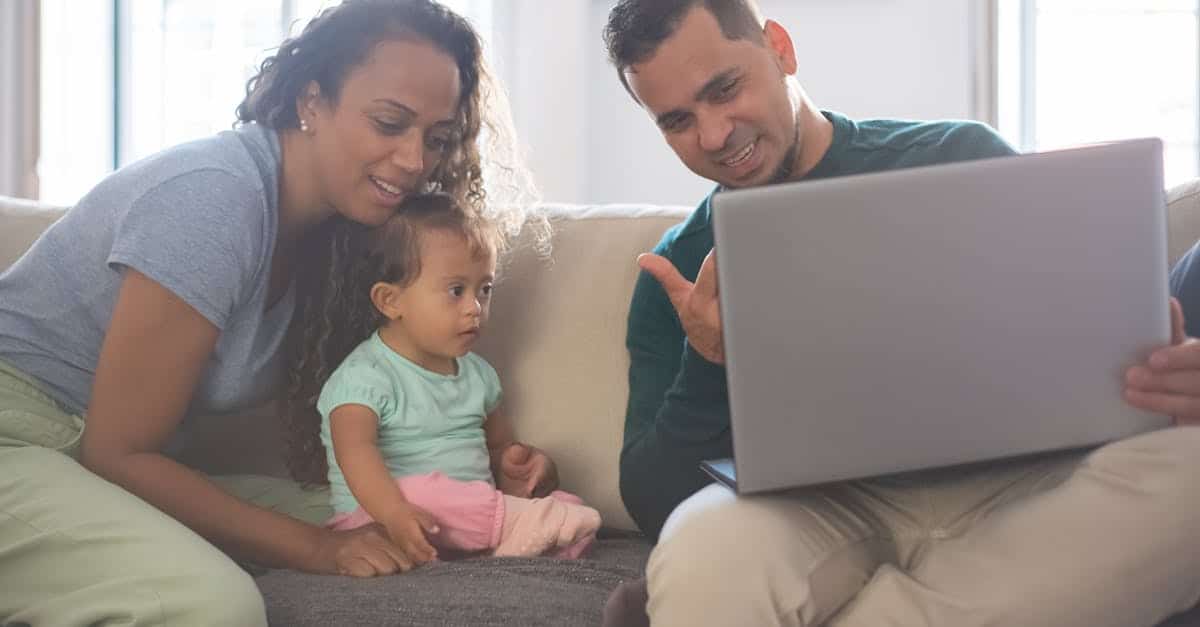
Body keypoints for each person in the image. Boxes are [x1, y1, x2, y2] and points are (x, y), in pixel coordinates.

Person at [602, 1, 1200, 625]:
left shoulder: (959, 155)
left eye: (725, 89)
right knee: (700, 553)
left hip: (1022, 493)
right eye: (677, 121)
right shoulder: (679, 270)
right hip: (810, 514)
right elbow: (653, 502)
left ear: (781, 48)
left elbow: (1083, 351)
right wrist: (708, 361)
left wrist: (1148, 365)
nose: (713, 135)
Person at [0, 1, 542, 625]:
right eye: (390, 122)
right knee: (212, 604)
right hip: (21, 437)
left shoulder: (337, 233)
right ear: (311, 101)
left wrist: (499, 469)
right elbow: (117, 453)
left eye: (437, 138)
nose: (416, 160)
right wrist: (316, 549)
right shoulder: (214, 199)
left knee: (399, 520)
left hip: (83, 458)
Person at [309, 193, 600, 562]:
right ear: (390, 301)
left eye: (485, 290)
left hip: (466, 522)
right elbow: (355, 454)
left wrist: (519, 465)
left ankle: (517, 545)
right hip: (380, 522)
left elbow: (499, 448)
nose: (474, 308)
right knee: (424, 493)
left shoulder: (478, 375)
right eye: (456, 290)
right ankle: (521, 529)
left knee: (568, 504)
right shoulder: (362, 378)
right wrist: (394, 512)